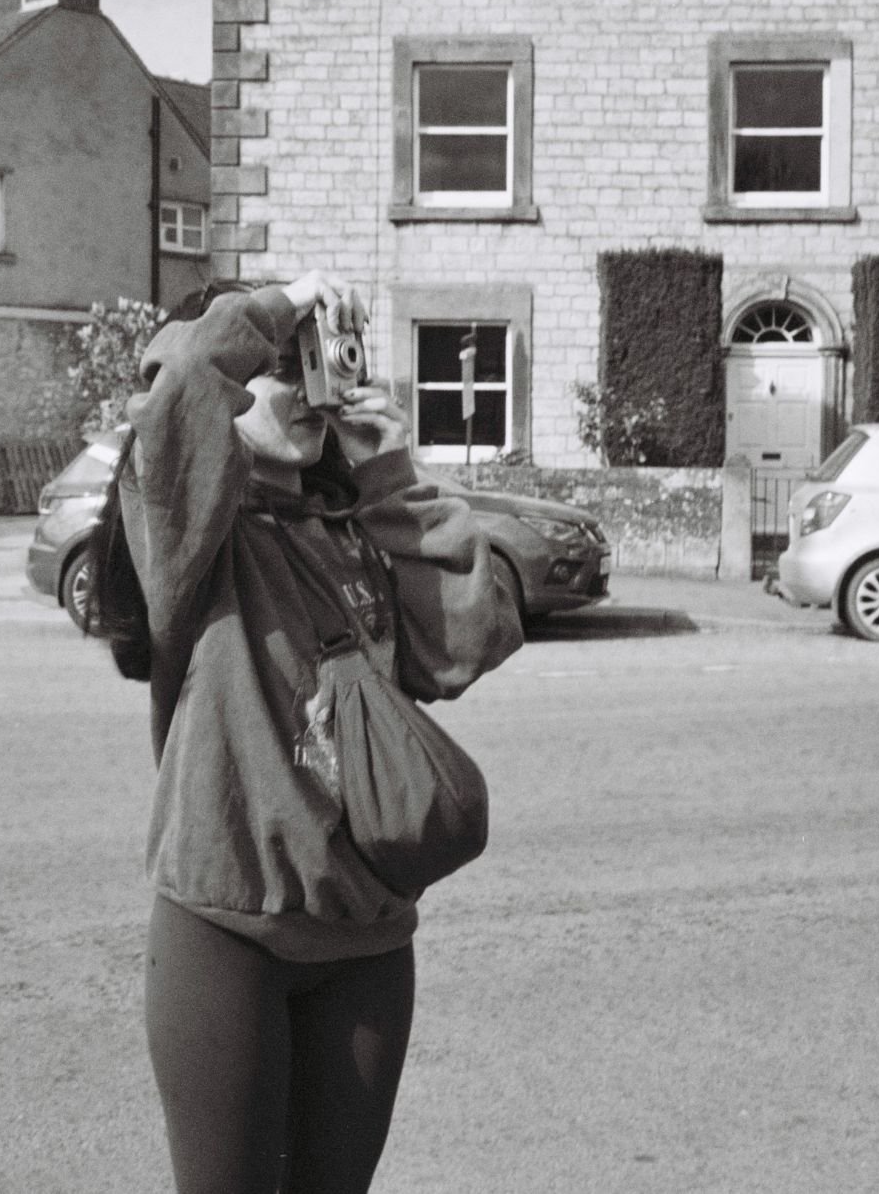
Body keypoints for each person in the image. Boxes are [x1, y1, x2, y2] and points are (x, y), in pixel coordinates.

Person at [87, 271, 523, 1194]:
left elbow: (463, 645)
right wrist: (278, 306)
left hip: (366, 936)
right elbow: (178, 399)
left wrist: (387, 473)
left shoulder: (353, 523)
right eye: (282, 368)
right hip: (227, 930)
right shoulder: (193, 539)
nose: (304, 382)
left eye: (314, 362)